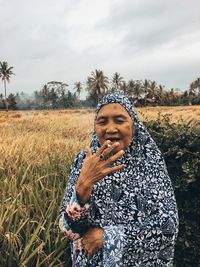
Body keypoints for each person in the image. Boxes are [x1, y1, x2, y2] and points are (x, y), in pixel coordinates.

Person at [59, 92, 179, 267]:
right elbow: (68, 230)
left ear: (133, 125)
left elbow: (168, 227)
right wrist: (82, 188)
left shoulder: (149, 162)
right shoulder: (83, 162)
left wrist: (107, 237)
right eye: (102, 121)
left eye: (120, 120)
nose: (110, 129)